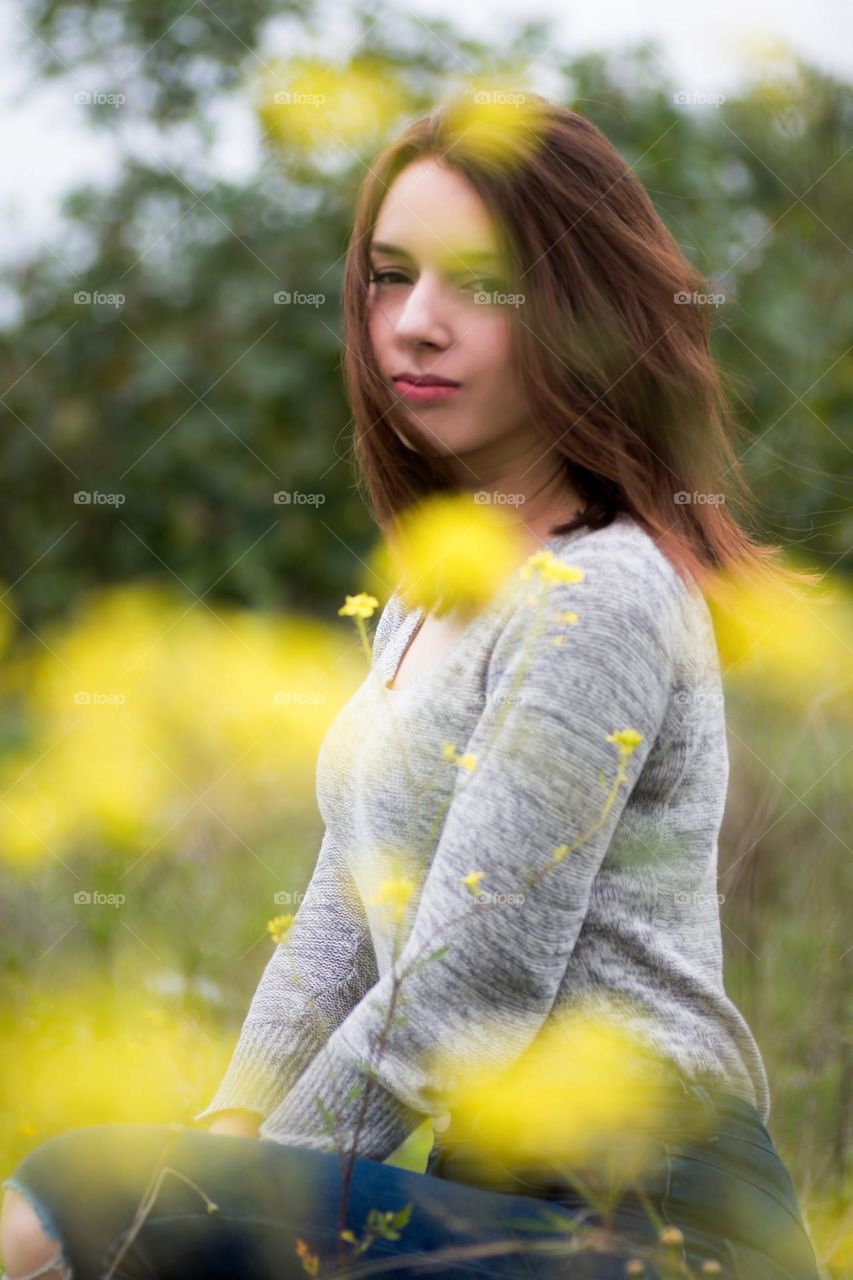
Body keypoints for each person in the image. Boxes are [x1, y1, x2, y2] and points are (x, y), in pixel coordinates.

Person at [1, 91, 821, 1280]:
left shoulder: (600, 590)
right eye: (390, 278)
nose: (415, 324)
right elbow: (339, 919)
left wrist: (200, 1212)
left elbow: (473, 981)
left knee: (80, 1195)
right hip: (487, 1198)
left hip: (656, 1217)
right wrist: (228, 1133)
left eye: (480, 284)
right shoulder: (426, 600)